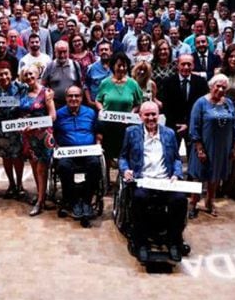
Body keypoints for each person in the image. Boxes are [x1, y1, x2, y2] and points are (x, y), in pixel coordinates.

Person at [119, 101, 188, 262]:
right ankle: (141, 242)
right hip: (143, 180)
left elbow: (177, 160)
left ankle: (174, 241)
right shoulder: (131, 132)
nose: (150, 118)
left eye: (153, 114)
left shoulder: (169, 133)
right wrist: (125, 170)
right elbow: (123, 157)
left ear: (159, 115)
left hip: (165, 180)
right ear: (140, 116)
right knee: (139, 199)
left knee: (180, 200)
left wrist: (176, 174)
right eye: (147, 115)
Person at [187, 73, 235, 217]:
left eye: (224, 87)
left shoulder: (228, 103)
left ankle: (210, 201)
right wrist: (199, 148)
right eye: (218, 86)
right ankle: (193, 202)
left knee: (215, 175)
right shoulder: (201, 103)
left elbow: (234, 125)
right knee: (199, 174)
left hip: (223, 146)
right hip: (205, 145)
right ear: (211, 86)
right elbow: (194, 126)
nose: (221, 90)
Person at [52, 86, 102, 220]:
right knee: (63, 166)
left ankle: (86, 201)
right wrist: (54, 145)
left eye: (77, 96)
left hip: (88, 152)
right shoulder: (58, 114)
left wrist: (98, 144)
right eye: (70, 96)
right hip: (67, 153)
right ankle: (73, 201)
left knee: (95, 164)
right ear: (66, 98)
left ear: (81, 98)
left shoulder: (91, 113)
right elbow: (53, 135)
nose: (73, 99)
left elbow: (98, 132)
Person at [95, 52, 144, 185]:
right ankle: (106, 181)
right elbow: (98, 100)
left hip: (126, 126)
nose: (122, 68)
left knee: (124, 153)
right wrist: (101, 110)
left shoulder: (133, 84)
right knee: (107, 153)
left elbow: (138, 103)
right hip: (108, 125)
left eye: (124, 66)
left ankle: (123, 179)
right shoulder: (105, 83)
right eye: (119, 66)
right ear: (113, 66)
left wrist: (132, 114)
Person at [17, 66, 57, 215]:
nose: (28, 76)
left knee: (41, 168)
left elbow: (53, 116)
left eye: (31, 73)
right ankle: (42, 195)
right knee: (35, 167)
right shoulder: (23, 92)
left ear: (37, 74)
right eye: (25, 74)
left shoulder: (46, 92)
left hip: (43, 136)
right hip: (28, 136)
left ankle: (40, 202)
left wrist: (35, 123)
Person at [0, 61, 27, 199]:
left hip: (16, 128)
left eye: (6, 74)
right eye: (0, 74)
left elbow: (24, 104)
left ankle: (19, 184)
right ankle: (11, 184)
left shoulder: (21, 88)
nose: (3, 77)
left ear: (11, 74)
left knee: (18, 157)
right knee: (6, 157)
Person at [157, 54, 209, 153]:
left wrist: (188, 125)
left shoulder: (201, 82)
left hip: (194, 126)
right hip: (173, 127)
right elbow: (166, 106)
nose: (186, 67)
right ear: (178, 65)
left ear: (193, 65)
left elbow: (202, 107)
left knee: (194, 158)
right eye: (183, 64)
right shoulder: (168, 82)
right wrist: (177, 125)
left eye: (189, 64)